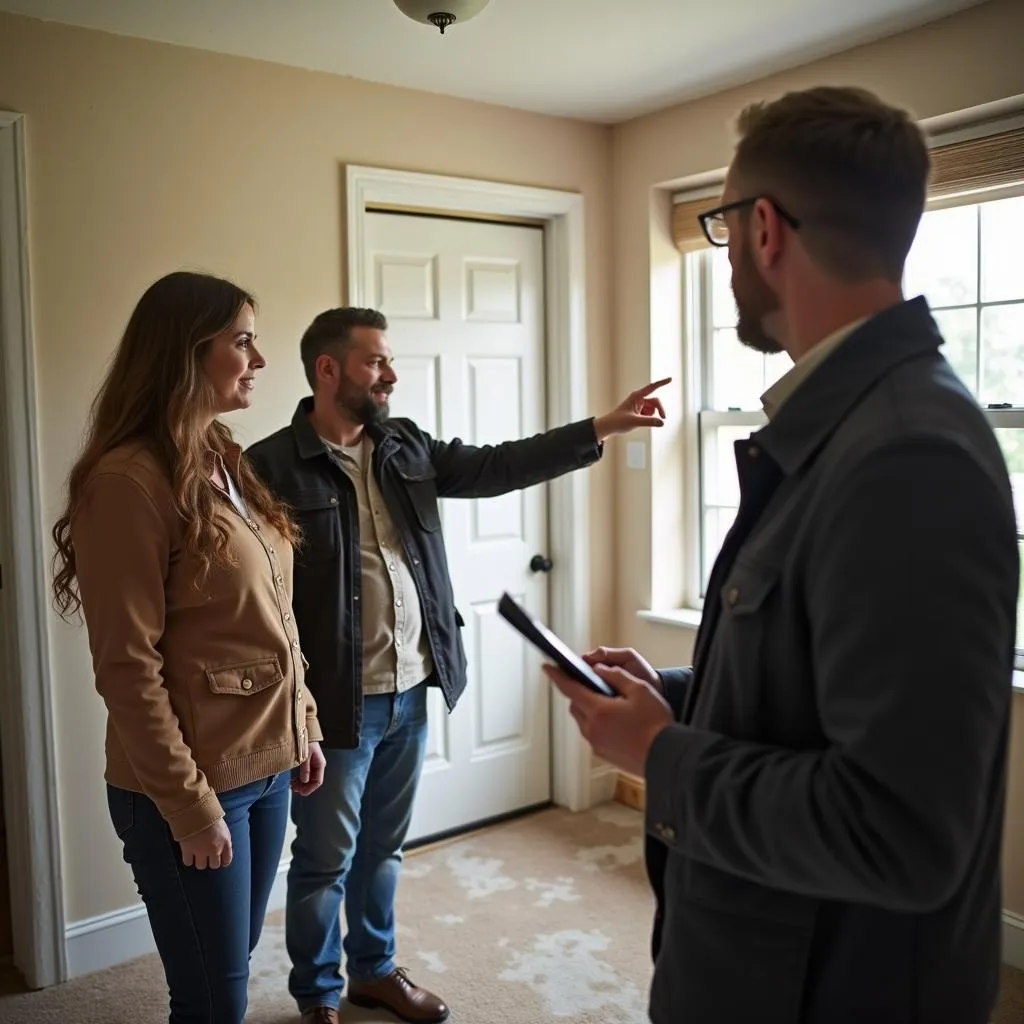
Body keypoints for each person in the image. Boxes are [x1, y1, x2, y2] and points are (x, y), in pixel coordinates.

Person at [546, 86, 1020, 1024]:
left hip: (825, 990)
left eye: (721, 225)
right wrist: (680, 694)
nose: (725, 258)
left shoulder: (905, 455)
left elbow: (900, 832)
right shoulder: (845, 427)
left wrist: (659, 754)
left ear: (765, 229)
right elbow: (811, 686)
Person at [245, 305, 668, 1023]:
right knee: (324, 860)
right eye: (376, 360)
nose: (390, 374)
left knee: (384, 849)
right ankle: (315, 995)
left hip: (414, 684)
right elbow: (254, 599)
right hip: (335, 703)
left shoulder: (404, 444)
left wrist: (601, 427)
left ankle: (372, 970)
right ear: (328, 368)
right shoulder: (268, 466)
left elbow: (497, 464)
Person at [51, 271, 327, 1024]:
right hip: (193, 786)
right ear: (188, 351)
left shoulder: (222, 456)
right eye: (243, 341)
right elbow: (126, 668)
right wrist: (190, 808)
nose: (259, 361)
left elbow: (270, 613)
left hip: (267, 767)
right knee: (213, 1002)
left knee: (225, 968)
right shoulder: (126, 483)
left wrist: (302, 726)